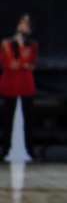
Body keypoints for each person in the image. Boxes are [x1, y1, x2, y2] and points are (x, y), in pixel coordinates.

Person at [0, 13, 38, 146]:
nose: (24, 27)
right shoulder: (6, 43)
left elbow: (32, 63)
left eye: (27, 25)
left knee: (28, 119)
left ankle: (29, 150)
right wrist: (21, 64)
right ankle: (5, 149)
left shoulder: (32, 45)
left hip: (26, 84)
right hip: (10, 84)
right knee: (7, 119)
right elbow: (7, 62)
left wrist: (23, 64)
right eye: (22, 24)